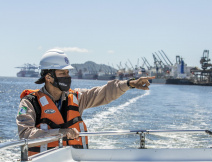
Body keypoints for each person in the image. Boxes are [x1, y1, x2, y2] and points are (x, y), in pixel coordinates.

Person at [16, 49, 155, 156]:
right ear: (48, 77)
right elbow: (25, 133)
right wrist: (60, 133)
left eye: (67, 73)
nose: (67, 77)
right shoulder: (29, 103)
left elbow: (104, 93)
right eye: (62, 74)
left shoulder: (77, 98)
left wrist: (130, 83)